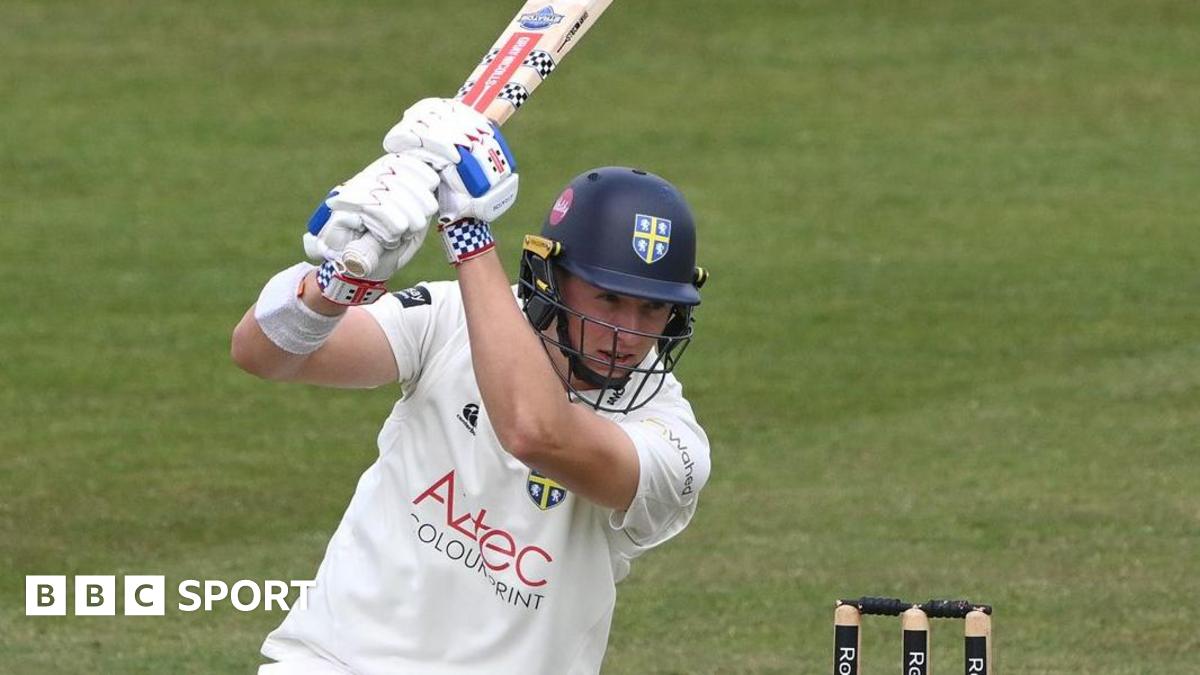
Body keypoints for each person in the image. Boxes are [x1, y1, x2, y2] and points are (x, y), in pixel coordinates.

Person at [231, 98, 712, 674]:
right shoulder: (450, 317)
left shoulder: (670, 441)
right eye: (608, 298)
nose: (627, 333)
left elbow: (535, 432)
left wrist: (466, 235)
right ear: (551, 277)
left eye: (653, 310)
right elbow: (264, 355)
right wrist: (338, 280)